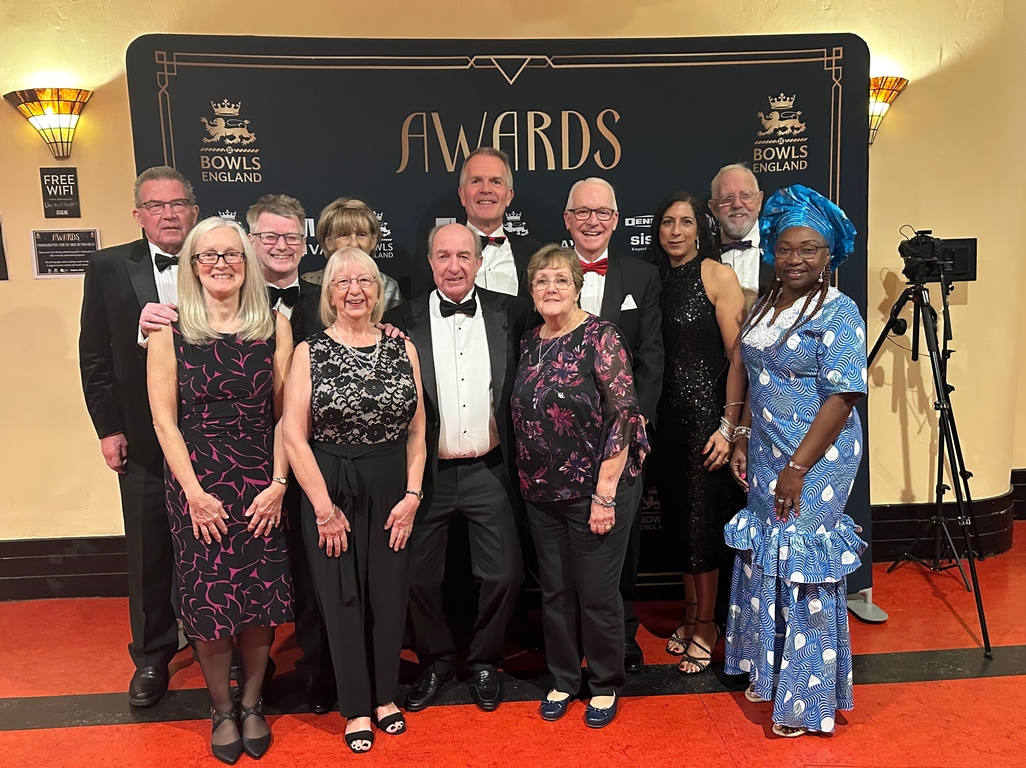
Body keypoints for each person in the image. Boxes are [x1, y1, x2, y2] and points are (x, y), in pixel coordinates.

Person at [147, 217, 294, 764]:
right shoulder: (168, 330)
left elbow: (286, 415)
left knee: (258, 599)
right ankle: (222, 709)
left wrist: (279, 484)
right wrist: (193, 493)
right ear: (192, 265)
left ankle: (252, 703)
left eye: (231, 254)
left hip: (260, 481)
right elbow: (164, 422)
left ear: (247, 263)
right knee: (208, 601)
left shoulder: (274, 325)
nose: (221, 264)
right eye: (208, 255)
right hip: (198, 484)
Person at [725, 184, 868, 738]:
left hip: (818, 456)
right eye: (785, 248)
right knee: (771, 553)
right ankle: (772, 670)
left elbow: (843, 395)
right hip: (766, 449)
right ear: (771, 250)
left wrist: (798, 468)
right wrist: (740, 434)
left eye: (809, 249)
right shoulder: (766, 303)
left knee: (805, 563)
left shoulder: (839, 310)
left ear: (829, 254)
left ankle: (806, 703)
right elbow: (749, 369)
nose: (795, 259)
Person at [283, 246, 426, 754]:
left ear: (378, 289)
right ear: (328, 294)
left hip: (392, 488)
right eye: (342, 282)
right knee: (342, 599)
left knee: (387, 595)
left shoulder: (402, 348)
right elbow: (294, 436)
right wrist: (323, 508)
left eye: (364, 280)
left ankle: (385, 697)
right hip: (330, 487)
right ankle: (356, 707)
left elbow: (417, 431)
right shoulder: (309, 351)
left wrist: (413, 494)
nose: (354, 291)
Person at [383, 223, 531, 713]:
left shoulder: (512, 312)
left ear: (479, 262)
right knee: (416, 578)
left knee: (505, 574)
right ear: (430, 263)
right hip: (426, 474)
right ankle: (438, 659)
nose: (454, 266)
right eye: (443, 256)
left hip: (490, 469)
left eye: (464, 256)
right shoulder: (397, 321)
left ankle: (485, 659)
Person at [512, 244, 649, 728]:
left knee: (596, 593)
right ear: (531, 290)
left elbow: (623, 416)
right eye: (541, 280)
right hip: (541, 493)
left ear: (578, 286)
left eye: (561, 280)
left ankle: (605, 682)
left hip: (597, 490)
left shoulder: (601, 336)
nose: (550, 288)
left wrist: (604, 495)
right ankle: (564, 678)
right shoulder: (529, 342)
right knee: (555, 592)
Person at [79, 165, 199, 707]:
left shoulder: (220, 256)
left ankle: (219, 640)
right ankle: (152, 656)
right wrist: (108, 429)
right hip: (144, 439)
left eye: (177, 204)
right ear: (138, 215)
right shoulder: (107, 266)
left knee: (215, 547)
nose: (168, 214)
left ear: (193, 210)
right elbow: (94, 354)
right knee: (150, 552)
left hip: (212, 437)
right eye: (156, 205)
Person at [563, 177, 663, 673]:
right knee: (562, 545)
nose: (592, 221)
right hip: (563, 437)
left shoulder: (642, 276)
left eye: (602, 212)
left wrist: (633, 425)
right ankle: (567, 639)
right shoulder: (548, 272)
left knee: (621, 542)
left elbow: (651, 356)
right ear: (567, 220)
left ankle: (622, 635)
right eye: (582, 212)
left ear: (617, 220)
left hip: (620, 438)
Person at [647, 191, 748, 674]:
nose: (676, 231)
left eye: (685, 222)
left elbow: (740, 357)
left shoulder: (716, 275)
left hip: (708, 424)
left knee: (703, 526)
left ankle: (708, 625)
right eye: (668, 222)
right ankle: (691, 615)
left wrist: (730, 427)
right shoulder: (654, 280)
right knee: (681, 525)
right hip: (667, 424)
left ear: (700, 227)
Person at [245, 193, 334, 714]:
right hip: (248, 457)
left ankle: (318, 667)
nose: (281, 246)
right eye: (270, 237)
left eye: (291, 237)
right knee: (250, 567)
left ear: (305, 243)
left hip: (320, 455)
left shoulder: (329, 297)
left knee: (315, 566)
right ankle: (247, 673)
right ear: (251, 241)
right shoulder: (228, 299)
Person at [411, 147, 541, 297]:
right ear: (462, 195)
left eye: (496, 182)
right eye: (476, 181)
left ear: (508, 196)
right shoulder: (432, 248)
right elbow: (419, 307)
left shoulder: (534, 253)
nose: (486, 189)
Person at [303, 197, 404, 311]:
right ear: (329, 242)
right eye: (344, 235)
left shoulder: (389, 287)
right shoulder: (308, 283)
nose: (354, 244)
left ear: (373, 240)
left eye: (361, 234)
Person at [708, 163, 774, 313]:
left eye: (745, 195)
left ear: (759, 201)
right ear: (713, 208)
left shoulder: (781, 249)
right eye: (727, 198)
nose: (737, 204)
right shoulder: (700, 254)